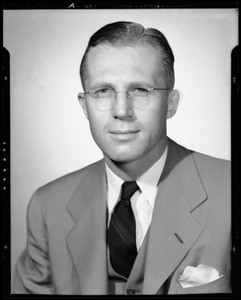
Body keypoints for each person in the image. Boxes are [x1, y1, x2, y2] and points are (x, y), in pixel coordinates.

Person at [13, 21, 231, 295]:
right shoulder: (47, 207)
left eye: (140, 89)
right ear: (85, 106)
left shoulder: (230, 191)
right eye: (103, 91)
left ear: (171, 104)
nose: (121, 110)